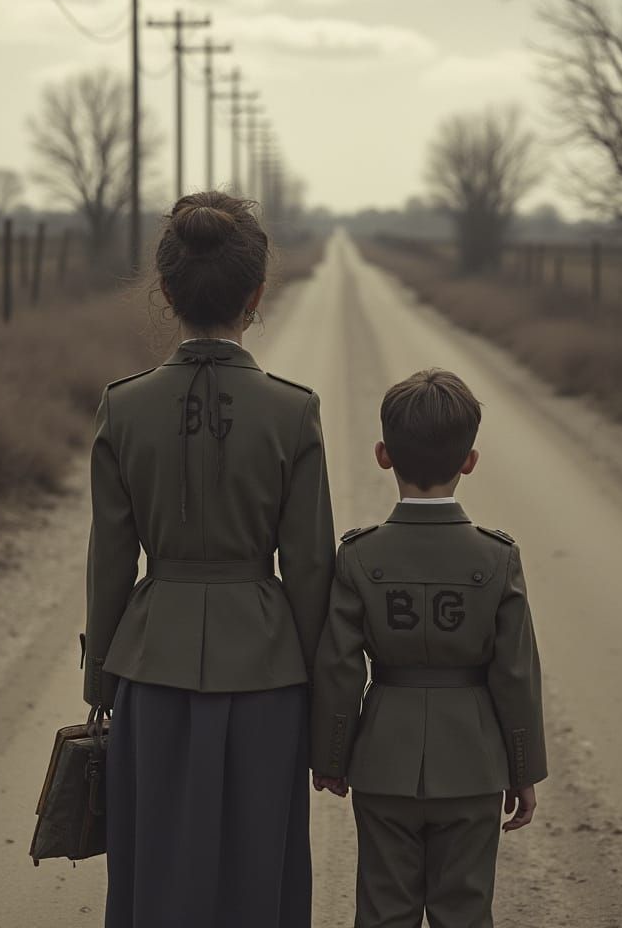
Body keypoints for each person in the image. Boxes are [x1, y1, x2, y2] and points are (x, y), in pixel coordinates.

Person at [83, 191, 335, 928]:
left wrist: (102, 677)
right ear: (256, 297)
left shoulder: (123, 407)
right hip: (268, 675)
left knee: (156, 871)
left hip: (150, 671)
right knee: (259, 873)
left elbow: (110, 562)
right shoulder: (293, 412)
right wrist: (328, 714)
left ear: (166, 292)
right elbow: (312, 571)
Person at [311, 368, 547, 928]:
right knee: (464, 912)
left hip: (382, 764)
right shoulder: (497, 559)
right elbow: (514, 674)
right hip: (473, 764)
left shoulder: (358, 557)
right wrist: (522, 770)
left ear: (383, 455)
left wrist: (333, 757)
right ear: (469, 461)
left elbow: (340, 669)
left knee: (383, 910)